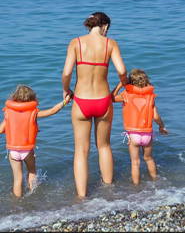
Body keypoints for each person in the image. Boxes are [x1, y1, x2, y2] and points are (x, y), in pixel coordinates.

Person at [62, 12, 127, 198]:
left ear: (90, 25)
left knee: (81, 151)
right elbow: (122, 70)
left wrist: (66, 90)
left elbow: (66, 73)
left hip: (81, 100)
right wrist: (123, 84)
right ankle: (108, 191)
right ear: (105, 26)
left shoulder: (76, 42)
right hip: (103, 101)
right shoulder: (110, 44)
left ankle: (82, 197)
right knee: (104, 146)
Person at [0, 85, 70, 198]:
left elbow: (1, 129)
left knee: (17, 179)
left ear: (15, 97)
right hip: (27, 151)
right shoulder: (34, 113)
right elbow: (52, 111)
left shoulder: (8, 113)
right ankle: (33, 195)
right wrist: (65, 102)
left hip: (13, 151)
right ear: (32, 99)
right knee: (32, 172)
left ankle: (18, 201)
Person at [112, 68, 168, 185]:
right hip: (147, 134)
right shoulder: (150, 97)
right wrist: (162, 127)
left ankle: (136, 188)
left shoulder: (126, 94)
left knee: (135, 162)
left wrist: (120, 85)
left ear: (130, 83)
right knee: (149, 159)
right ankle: (156, 182)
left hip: (134, 135)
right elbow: (156, 117)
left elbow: (111, 98)